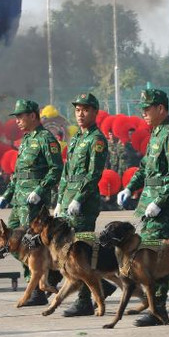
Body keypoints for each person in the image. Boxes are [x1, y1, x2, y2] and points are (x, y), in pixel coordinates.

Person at [116, 89, 169, 326]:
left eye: (148, 108)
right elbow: (145, 168)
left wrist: (160, 201)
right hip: (149, 203)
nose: (144, 113)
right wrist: (129, 187)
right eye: (143, 109)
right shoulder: (156, 134)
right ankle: (156, 307)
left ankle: (160, 310)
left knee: (156, 257)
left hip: (165, 207)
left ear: (161, 109)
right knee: (145, 256)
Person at [0, 99, 63, 306]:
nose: (17, 120)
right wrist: (7, 194)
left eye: (20, 116)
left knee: (30, 243)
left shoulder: (46, 139)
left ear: (33, 116)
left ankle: (39, 287)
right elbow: (18, 174)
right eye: (16, 117)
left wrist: (40, 190)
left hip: (34, 202)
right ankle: (41, 279)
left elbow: (56, 168)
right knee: (11, 241)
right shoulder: (25, 140)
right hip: (19, 201)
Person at [54, 93, 116, 317]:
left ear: (94, 112)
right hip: (69, 201)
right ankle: (103, 286)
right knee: (68, 250)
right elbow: (66, 172)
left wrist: (79, 198)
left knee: (79, 253)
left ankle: (84, 301)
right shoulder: (77, 139)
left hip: (84, 204)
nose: (81, 114)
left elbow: (93, 174)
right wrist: (60, 200)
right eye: (78, 110)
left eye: (85, 110)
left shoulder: (96, 140)